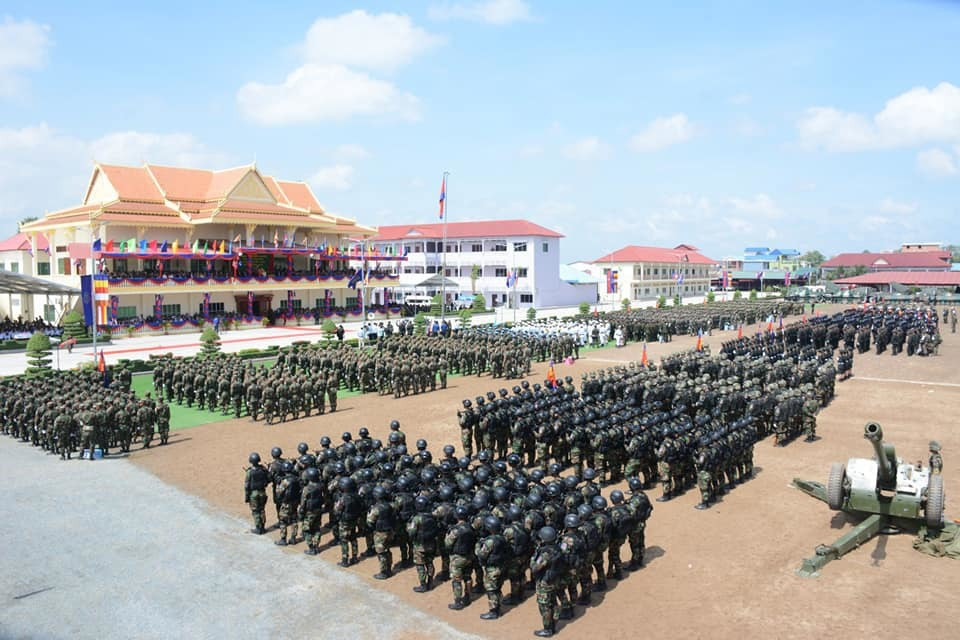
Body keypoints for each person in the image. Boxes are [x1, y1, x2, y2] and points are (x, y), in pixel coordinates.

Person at [530, 526, 563, 638]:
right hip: (554, 579)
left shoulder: (545, 553)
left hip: (545, 582)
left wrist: (533, 558)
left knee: (545, 606)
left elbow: (535, 568)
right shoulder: (557, 548)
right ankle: (554, 621)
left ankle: (547, 629)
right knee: (552, 602)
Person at [244, 452, 269, 534]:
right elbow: (268, 479)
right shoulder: (263, 469)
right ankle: (263, 527)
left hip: (253, 494)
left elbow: (247, 486)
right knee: (262, 510)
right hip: (262, 492)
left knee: (255, 511)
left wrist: (246, 497)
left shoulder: (249, 472)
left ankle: (258, 528)